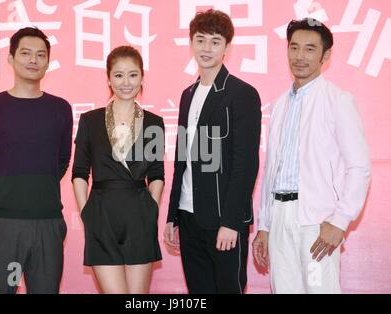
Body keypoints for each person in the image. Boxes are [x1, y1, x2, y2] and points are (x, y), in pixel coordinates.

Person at [252, 18, 371, 294]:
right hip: (280, 218)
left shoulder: (338, 100)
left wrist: (340, 221)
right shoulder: (280, 104)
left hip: (318, 221)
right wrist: (266, 225)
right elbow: (273, 170)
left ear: (325, 55)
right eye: (294, 48)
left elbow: (359, 167)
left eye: (309, 49)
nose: (299, 57)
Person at [0, 27, 73, 294]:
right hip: (4, 226)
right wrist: (1, 194)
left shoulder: (61, 108)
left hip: (48, 223)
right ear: (11, 59)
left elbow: (61, 161)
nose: (33, 60)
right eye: (25, 53)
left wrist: (35, 192)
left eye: (40, 55)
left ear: (48, 62)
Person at [164, 9, 262, 294]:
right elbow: (182, 160)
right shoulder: (187, 94)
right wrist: (172, 215)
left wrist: (231, 222)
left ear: (227, 48)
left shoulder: (241, 94)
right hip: (188, 215)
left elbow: (245, 164)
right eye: (200, 40)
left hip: (223, 219)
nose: (207, 48)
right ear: (191, 43)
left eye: (215, 41)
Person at [72, 46, 165, 294]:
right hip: (101, 215)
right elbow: (80, 172)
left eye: (133, 75)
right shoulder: (90, 121)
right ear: (109, 79)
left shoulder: (154, 122)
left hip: (139, 217)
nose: (126, 82)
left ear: (142, 77)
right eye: (119, 75)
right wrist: (86, 212)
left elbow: (157, 173)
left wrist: (151, 208)